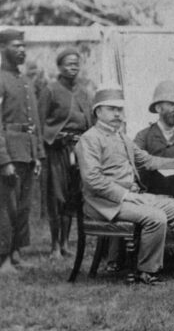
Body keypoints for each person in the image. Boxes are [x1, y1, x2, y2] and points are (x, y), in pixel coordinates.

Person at [75, 88, 174, 283]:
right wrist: (126, 195)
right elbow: (92, 180)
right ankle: (147, 271)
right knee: (155, 216)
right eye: (111, 109)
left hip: (129, 198)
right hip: (103, 203)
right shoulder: (89, 139)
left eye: (119, 109)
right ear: (98, 112)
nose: (117, 114)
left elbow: (147, 160)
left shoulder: (122, 137)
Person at [37, 48, 93, 259]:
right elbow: (40, 122)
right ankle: (54, 246)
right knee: (56, 196)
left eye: (76, 63)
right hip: (57, 150)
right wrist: (43, 149)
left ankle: (65, 244)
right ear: (60, 67)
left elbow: (90, 121)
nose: (73, 67)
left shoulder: (83, 92)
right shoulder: (50, 90)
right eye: (69, 63)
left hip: (78, 149)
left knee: (72, 196)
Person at [0, 29, 43, 275]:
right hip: (9, 152)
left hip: (26, 152)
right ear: (2, 48)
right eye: (15, 45)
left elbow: (34, 121)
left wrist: (37, 154)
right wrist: (4, 160)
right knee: (6, 208)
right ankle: (3, 259)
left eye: (23, 45)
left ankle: (16, 253)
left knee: (23, 207)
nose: (22, 50)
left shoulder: (25, 81)